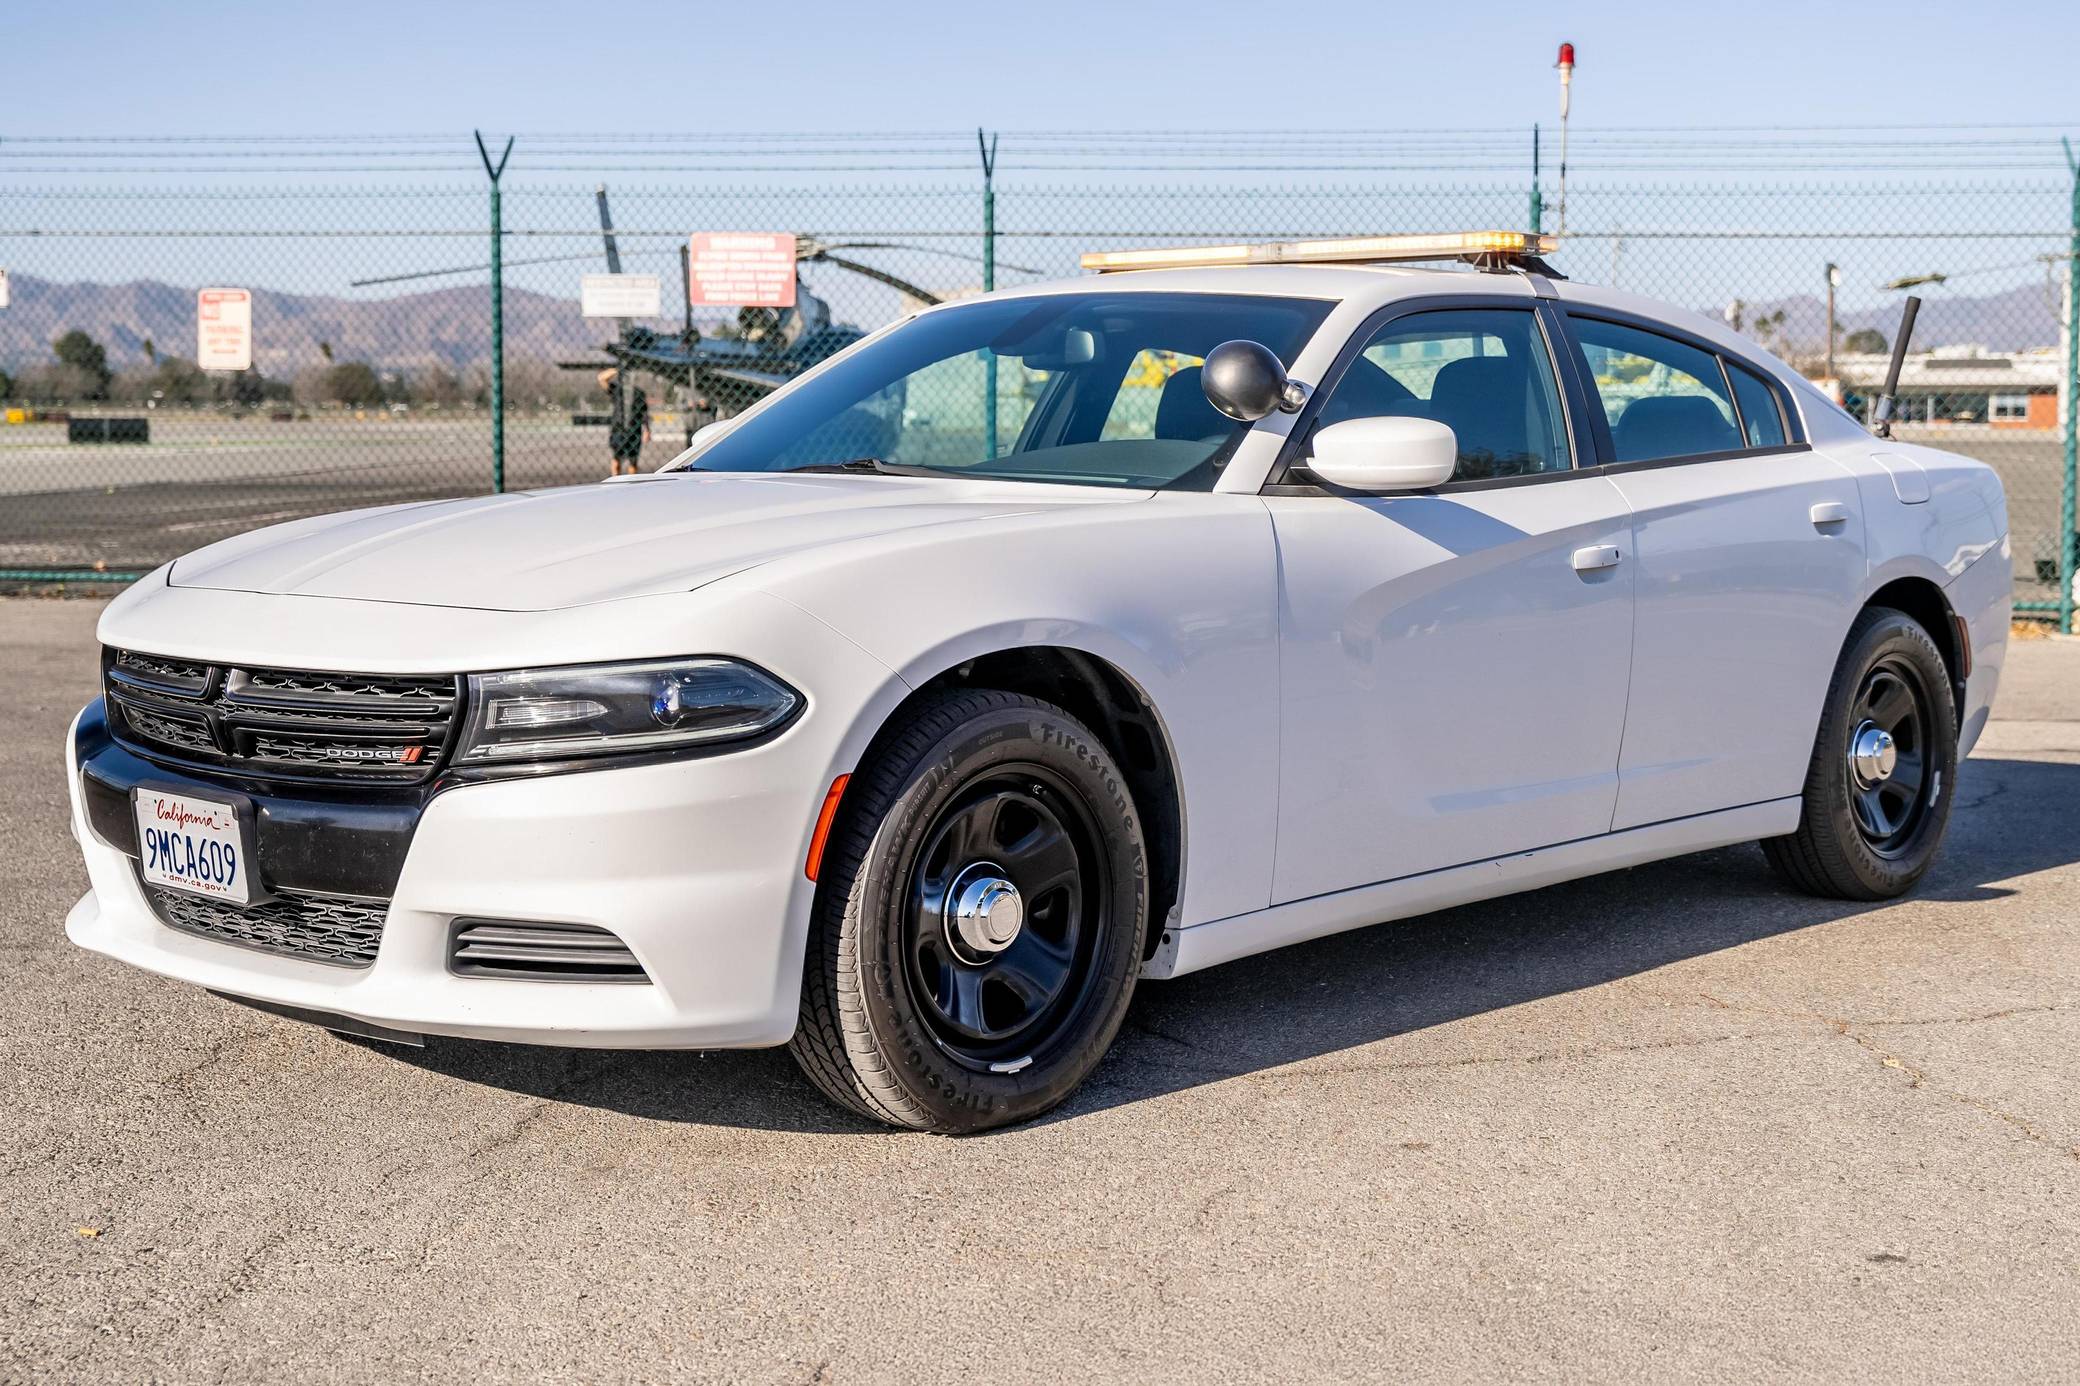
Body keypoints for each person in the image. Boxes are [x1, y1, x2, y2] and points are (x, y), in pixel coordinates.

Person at [604, 371, 651, 476]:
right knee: (616, 459)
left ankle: (631, 484)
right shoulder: (617, 389)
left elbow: (644, 413)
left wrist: (647, 430)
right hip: (618, 429)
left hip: (634, 429)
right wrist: (617, 369)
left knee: (633, 461)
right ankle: (615, 480)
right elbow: (602, 378)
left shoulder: (639, 393)